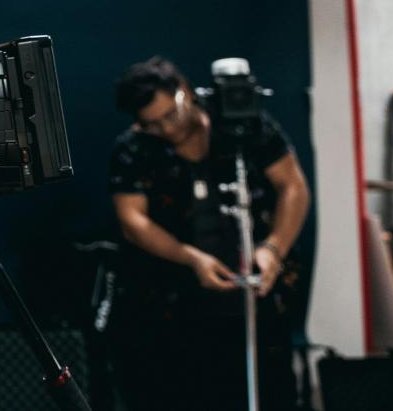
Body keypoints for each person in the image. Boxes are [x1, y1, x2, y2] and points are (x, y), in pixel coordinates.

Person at [106, 56, 311, 411]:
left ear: (184, 91)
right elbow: (132, 222)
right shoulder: (134, 148)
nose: (166, 129)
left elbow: (293, 186)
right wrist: (191, 257)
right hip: (176, 305)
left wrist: (274, 248)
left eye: (170, 115)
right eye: (152, 125)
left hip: (258, 297)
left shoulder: (243, 126)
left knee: (272, 389)